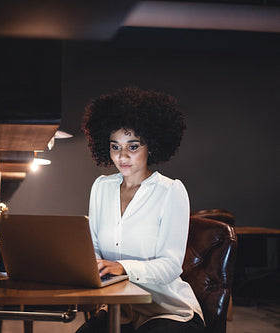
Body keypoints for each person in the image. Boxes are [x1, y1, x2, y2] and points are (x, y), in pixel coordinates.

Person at [77, 87, 205, 333]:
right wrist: (91, 265)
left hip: (168, 310)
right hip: (119, 309)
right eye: (115, 147)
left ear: (151, 147)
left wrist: (123, 267)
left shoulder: (170, 191)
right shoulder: (101, 188)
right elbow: (91, 247)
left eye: (133, 146)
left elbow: (170, 266)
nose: (122, 156)